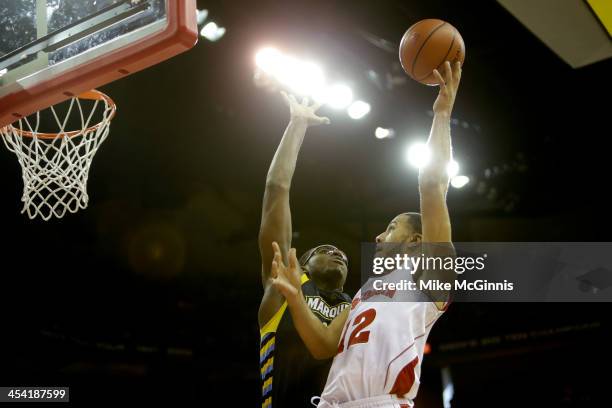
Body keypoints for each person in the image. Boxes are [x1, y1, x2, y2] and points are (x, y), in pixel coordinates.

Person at [269, 61, 462, 407]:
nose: (379, 237)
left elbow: (432, 185)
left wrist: (443, 113)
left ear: (417, 241)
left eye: (390, 228)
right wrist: (296, 299)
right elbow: (323, 345)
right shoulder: (366, 290)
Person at [258, 92, 353, 407]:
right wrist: (297, 125)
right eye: (326, 250)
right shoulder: (284, 285)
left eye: (343, 256)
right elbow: (276, 190)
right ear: (303, 264)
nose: (338, 254)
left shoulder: (355, 306)